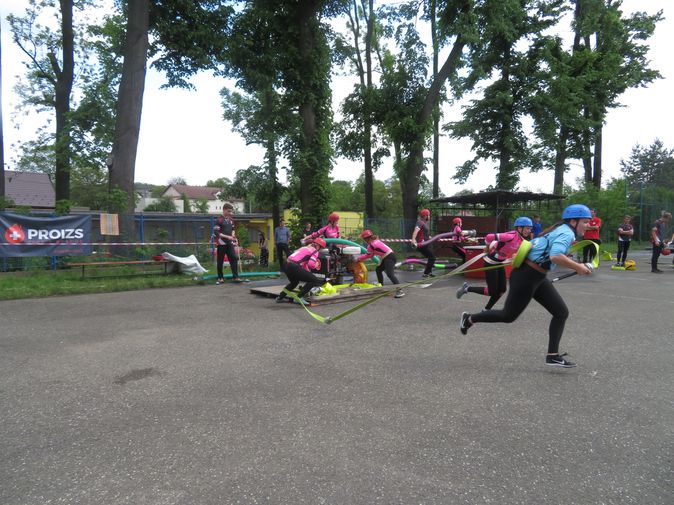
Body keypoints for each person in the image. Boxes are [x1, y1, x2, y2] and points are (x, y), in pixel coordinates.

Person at [459, 204, 594, 368]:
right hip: (527, 276)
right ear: (573, 221)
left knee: (561, 312)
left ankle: (552, 356)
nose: (588, 225)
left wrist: (571, 260)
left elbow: (548, 251)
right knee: (508, 316)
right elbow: (556, 256)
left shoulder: (561, 230)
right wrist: (578, 267)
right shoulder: (566, 233)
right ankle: (469, 318)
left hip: (537, 276)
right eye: (585, 222)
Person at [457, 216, 533, 310]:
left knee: (502, 290)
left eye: (530, 229)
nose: (529, 231)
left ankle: (486, 310)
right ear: (519, 228)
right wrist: (487, 247)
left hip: (499, 263)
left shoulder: (521, 240)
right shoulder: (510, 236)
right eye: (527, 228)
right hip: (490, 262)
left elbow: (520, 252)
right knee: (492, 291)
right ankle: (467, 288)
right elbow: (489, 236)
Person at [275, 238, 326, 305]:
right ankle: (299, 297)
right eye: (322, 248)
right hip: (293, 266)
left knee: (294, 283)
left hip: (286, 264)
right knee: (314, 280)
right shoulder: (315, 251)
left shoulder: (305, 248)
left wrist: (308, 274)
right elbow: (311, 264)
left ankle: (280, 297)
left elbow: (304, 265)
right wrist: (316, 265)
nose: (321, 250)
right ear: (318, 246)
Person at [358, 230, 405, 298]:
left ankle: (400, 291)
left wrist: (358, 259)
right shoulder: (376, 240)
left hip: (389, 258)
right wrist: (381, 261)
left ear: (366, 239)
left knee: (390, 274)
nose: (364, 240)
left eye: (364, 239)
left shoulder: (371, 245)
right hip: (388, 256)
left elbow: (369, 255)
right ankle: (381, 287)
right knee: (378, 269)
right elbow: (381, 252)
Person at [214, 203, 242, 284]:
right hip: (221, 243)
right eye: (229, 211)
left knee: (234, 258)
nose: (230, 213)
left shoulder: (231, 220)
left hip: (230, 243)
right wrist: (227, 237)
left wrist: (233, 235)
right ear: (224, 210)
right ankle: (220, 278)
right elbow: (216, 232)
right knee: (220, 260)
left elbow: (233, 229)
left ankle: (235, 277)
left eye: (231, 211)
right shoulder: (219, 220)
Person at [411, 208, 436, 278]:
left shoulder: (424, 223)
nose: (429, 217)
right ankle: (426, 273)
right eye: (428, 215)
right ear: (425, 216)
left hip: (426, 243)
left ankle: (429, 272)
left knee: (431, 258)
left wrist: (429, 237)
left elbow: (423, 233)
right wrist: (413, 239)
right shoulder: (420, 222)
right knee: (432, 257)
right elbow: (416, 231)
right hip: (421, 245)